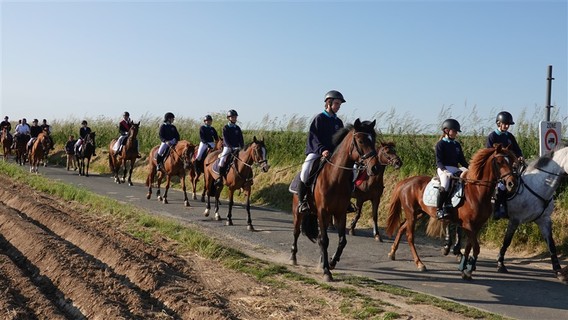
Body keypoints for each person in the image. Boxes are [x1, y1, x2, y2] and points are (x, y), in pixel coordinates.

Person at [297, 90, 348, 214]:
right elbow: (313, 138)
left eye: (340, 104)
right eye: (337, 103)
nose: (338, 107)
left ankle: (346, 201)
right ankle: (302, 201)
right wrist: (322, 150)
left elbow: (341, 141)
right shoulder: (319, 119)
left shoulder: (338, 122)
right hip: (317, 151)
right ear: (328, 103)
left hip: (334, 155)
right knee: (305, 171)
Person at [486, 111, 523, 220]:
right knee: (501, 186)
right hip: (496, 166)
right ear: (498, 123)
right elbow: (489, 153)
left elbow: (517, 149)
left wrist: (520, 156)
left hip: (508, 165)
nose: (507, 126)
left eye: (508, 124)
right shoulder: (492, 136)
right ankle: (498, 209)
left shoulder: (509, 136)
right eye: (505, 124)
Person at [435, 118, 469, 220]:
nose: (455, 133)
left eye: (456, 132)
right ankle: (439, 209)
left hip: (455, 168)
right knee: (445, 184)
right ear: (446, 131)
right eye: (454, 131)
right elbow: (439, 161)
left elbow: (462, 160)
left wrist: (470, 168)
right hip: (443, 168)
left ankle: (454, 202)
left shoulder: (456, 145)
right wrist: (445, 171)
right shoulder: (440, 144)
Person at [215, 109, 244, 187]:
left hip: (237, 147)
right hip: (228, 147)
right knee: (222, 160)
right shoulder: (226, 127)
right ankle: (220, 178)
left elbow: (241, 138)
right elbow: (225, 138)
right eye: (233, 117)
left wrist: (242, 146)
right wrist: (230, 147)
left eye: (235, 117)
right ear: (229, 118)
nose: (234, 118)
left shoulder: (237, 128)